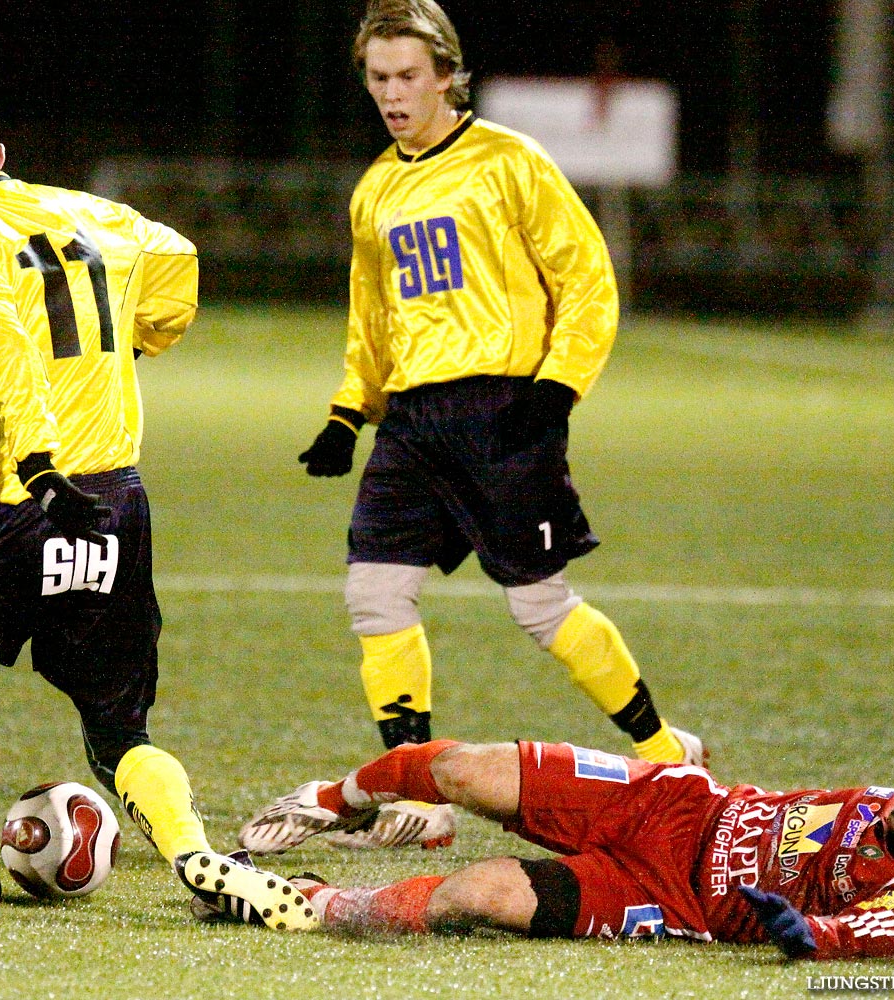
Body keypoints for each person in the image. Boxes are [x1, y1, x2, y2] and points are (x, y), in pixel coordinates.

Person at [0, 83, 310, 926]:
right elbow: (176, 257)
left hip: (19, 498)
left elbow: (0, 348)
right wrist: (144, 336)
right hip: (115, 499)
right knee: (118, 730)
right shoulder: (93, 213)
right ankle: (195, 857)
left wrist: (39, 462)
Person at [295, 0, 700, 848]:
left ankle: (668, 755)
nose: (393, 93)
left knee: (540, 607)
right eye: (378, 78)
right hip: (410, 421)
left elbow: (586, 277)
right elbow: (370, 317)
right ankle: (419, 796)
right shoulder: (374, 190)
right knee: (374, 594)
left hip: (503, 410)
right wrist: (346, 413)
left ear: (447, 74)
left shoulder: (508, 161)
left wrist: (557, 388)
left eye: (408, 75)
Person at [222, 740, 894, 958]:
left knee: (478, 895)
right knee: (459, 771)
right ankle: (329, 801)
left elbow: (850, 937)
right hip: (675, 800)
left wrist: (801, 932)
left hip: (664, 895)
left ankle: (313, 901)